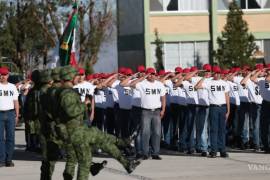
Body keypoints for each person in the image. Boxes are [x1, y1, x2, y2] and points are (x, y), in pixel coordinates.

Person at [125, 67, 166, 160]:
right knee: (145, 132)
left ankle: (155, 153)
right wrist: (143, 77)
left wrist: (163, 109)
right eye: (150, 74)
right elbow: (131, 84)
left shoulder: (159, 84)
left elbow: (163, 97)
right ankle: (145, 153)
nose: (152, 76)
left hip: (156, 111)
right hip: (145, 111)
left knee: (157, 133)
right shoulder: (142, 84)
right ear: (147, 75)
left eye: (153, 74)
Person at [195, 66, 230, 158]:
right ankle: (213, 150)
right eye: (216, 73)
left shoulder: (224, 83)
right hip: (213, 107)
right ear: (213, 74)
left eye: (219, 73)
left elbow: (227, 97)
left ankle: (222, 150)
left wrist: (228, 110)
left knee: (222, 130)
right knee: (214, 130)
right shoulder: (209, 83)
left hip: (222, 107)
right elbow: (197, 86)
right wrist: (204, 77)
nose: (217, 75)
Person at [0, 67, 19, 167]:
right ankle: (1, 160)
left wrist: (17, 115)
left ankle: (9, 159)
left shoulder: (12, 87)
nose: (3, 76)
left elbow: (15, 101)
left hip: (11, 113)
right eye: (1, 74)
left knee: (11, 137)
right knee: (0, 138)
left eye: (5, 74)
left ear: (8, 75)